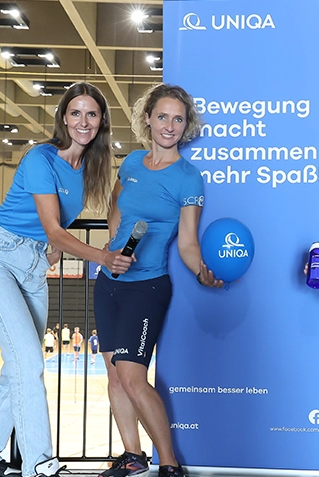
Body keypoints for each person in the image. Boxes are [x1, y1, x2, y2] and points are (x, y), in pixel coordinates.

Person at [0, 82, 133, 477]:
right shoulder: (41, 157)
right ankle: (40, 462)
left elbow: (52, 231)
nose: (83, 121)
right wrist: (102, 257)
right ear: (63, 118)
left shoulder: (88, 169)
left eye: (91, 114)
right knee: (27, 361)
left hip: (33, 265)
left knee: (19, 367)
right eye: (76, 113)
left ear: (102, 121)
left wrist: (50, 246)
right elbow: (55, 230)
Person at [94, 83, 223, 477]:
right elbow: (117, 209)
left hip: (148, 287)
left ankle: (169, 464)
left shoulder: (188, 178)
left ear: (187, 126)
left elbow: (186, 241)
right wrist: (113, 244)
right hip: (108, 281)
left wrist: (201, 270)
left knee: (132, 375)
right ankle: (132, 456)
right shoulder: (131, 163)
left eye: (178, 119)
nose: (169, 125)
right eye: (162, 116)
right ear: (147, 118)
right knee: (115, 374)